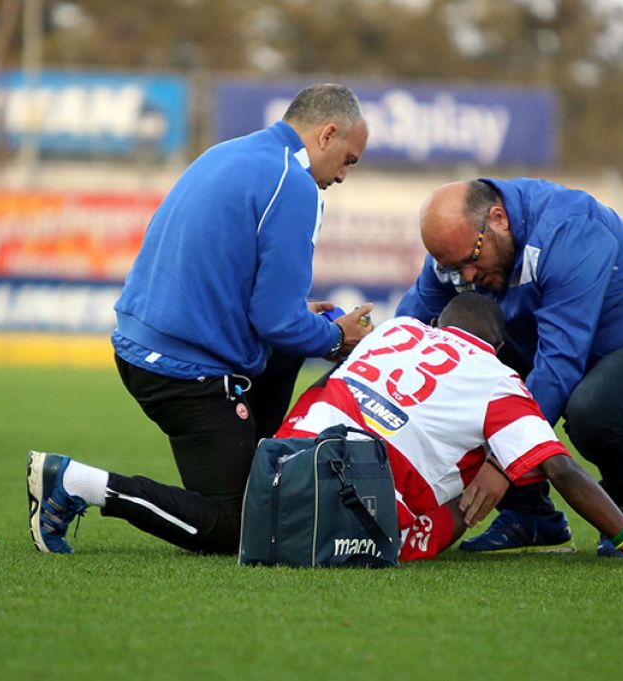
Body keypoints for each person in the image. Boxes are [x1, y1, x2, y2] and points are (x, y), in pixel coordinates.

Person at [28, 83, 375, 555]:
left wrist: (305, 324)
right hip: (185, 373)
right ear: (327, 134)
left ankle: (260, 471)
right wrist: (336, 337)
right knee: (237, 529)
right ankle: (78, 483)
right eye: (349, 160)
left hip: (140, 349)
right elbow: (275, 322)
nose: (343, 175)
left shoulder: (227, 152)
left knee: (295, 347)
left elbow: (258, 303)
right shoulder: (294, 184)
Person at [277, 293, 623, 569]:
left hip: (279, 471)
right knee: (498, 455)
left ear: (437, 324)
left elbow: (329, 382)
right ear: (496, 348)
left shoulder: (396, 328)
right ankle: (525, 511)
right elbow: (563, 470)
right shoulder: (498, 380)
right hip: (355, 511)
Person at [395, 179, 623, 557]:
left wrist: (501, 465)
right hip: (564, 347)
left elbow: (560, 363)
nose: (465, 277)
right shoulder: (460, 250)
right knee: (462, 375)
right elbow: (408, 333)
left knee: (592, 412)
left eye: (471, 259)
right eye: (451, 267)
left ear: (499, 218)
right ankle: (530, 516)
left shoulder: (569, 230)